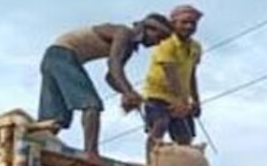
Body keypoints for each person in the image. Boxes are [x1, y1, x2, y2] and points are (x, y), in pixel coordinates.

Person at [39, 15, 173, 157]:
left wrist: (129, 94)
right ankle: (91, 153)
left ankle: (36, 142)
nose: (158, 43)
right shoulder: (124, 33)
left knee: (54, 119)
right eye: (159, 37)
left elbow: (110, 78)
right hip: (63, 56)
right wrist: (128, 91)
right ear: (148, 29)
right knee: (92, 105)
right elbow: (114, 65)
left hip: (52, 58)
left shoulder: (127, 48)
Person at [142, 4, 204, 153]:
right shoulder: (166, 42)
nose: (189, 26)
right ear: (173, 23)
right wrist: (182, 101)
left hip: (181, 97)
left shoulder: (196, 47)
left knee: (185, 136)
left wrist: (195, 101)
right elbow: (170, 73)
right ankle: (151, 164)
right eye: (184, 22)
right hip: (157, 94)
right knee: (160, 124)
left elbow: (191, 75)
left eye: (192, 23)